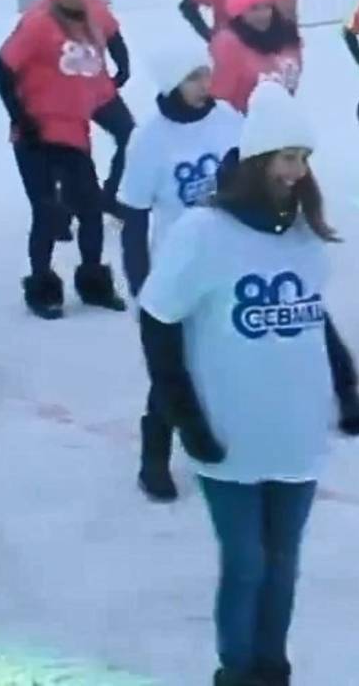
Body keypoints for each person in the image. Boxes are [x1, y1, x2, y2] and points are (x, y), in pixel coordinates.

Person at [138, 83, 359, 685]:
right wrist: (186, 421)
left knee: (283, 561)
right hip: (229, 428)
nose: (297, 171)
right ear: (257, 159)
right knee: (245, 562)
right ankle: (236, 671)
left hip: (295, 426)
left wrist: (344, 388)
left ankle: (273, 667)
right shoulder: (201, 233)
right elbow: (158, 323)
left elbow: (315, 315)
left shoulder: (302, 233)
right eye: (287, 158)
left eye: (304, 158)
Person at [114, 46, 245, 502]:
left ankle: (218, 438)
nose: (204, 86)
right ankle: (154, 457)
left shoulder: (228, 118)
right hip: (177, 268)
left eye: (207, 75)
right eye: (193, 77)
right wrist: (140, 285)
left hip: (230, 261)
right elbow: (133, 217)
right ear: (172, 81)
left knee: (227, 358)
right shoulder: (150, 138)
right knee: (172, 366)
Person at [0, 0, 125, 319]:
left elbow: (98, 59)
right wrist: (22, 118)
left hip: (74, 133)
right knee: (47, 213)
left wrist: (114, 81)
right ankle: (42, 285)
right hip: (35, 136)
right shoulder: (37, 25)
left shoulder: (91, 21)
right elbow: (1, 70)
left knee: (90, 212)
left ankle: (94, 282)